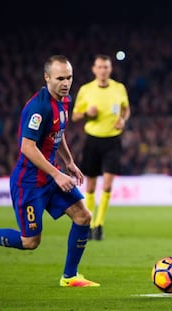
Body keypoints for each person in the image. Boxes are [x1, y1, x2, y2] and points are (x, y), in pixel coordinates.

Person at [0, 55, 99, 287]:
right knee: (30, 241)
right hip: (29, 182)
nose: (66, 83)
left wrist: (69, 162)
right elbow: (27, 147)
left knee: (83, 216)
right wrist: (57, 174)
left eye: (69, 77)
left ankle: (70, 276)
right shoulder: (39, 107)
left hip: (51, 175)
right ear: (47, 77)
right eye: (60, 78)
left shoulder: (64, 100)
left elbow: (59, 131)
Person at [71, 54, 130, 240]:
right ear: (94, 69)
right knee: (90, 185)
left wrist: (122, 119)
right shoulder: (86, 90)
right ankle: (88, 222)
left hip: (113, 140)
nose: (103, 70)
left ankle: (99, 225)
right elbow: (75, 116)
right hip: (93, 140)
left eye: (106, 67)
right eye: (100, 67)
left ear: (110, 69)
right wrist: (87, 114)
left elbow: (126, 109)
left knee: (107, 184)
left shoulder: (119, 88)